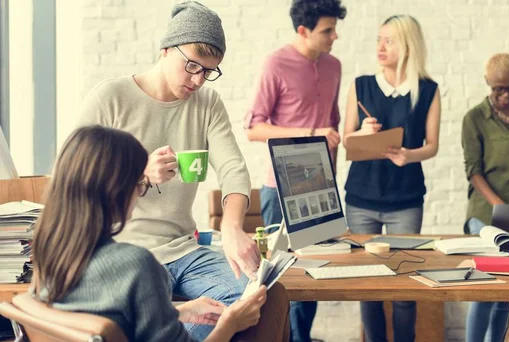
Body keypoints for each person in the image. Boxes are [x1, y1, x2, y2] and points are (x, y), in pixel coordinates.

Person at [77, 3, 259, 339]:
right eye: (191, 65)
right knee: (159, 318)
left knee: (252, 297)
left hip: (185, 248)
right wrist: (140, 175)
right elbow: (73, 178)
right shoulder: (111, 98)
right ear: (164, 50)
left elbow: (233, 168)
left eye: (208, 71)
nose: (198, 80)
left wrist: (233, 228)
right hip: (126, 250)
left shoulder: (208, 104)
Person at [30, 125, 290, 342]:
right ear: (117, 191)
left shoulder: (48, 253)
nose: (140, 193)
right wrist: (230, 324)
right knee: (270, 298)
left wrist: (177, 311)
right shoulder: (136, 265)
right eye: (140, 184)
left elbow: (106, 314)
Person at [244, 1, 346, 341]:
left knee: (316, 274)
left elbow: (333, 123)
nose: (334, 36)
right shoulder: (275, 63)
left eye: (334, 28)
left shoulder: (334, 66)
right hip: (280, 187)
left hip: (322, 191)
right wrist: (311, 134)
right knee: (282, 279)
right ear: (302, 31)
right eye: (326, 31)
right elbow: (254, 128)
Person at [342, 15, 441, 342]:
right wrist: (360, 132)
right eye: (379, 39)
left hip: (406, 200)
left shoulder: (428, 90)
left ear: (408, 46)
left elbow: (432, 146)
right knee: (367, 287)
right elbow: (345, 140)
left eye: (390, 41)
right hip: (361, 199)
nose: (381, 47)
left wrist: (408, 155)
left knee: (404, 285)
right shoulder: (360, 85)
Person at [461, 53, 509, 342]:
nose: (505, 95)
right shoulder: (474, 119)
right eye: (498, 89)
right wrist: (499, 206)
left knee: (506, 291)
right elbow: (473, 171)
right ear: (487, 84)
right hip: (486, 215)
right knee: (485, 289)